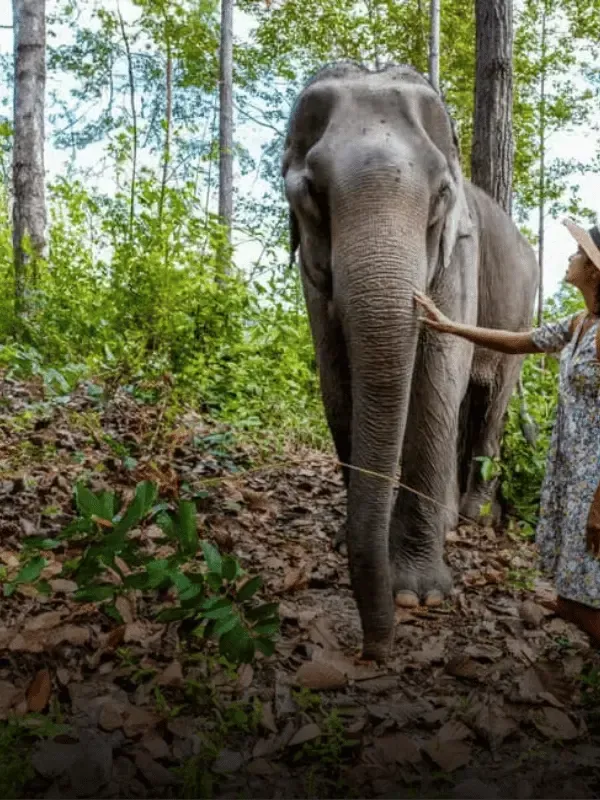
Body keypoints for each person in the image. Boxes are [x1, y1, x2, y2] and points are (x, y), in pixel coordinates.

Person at [414, 218, 600, 645]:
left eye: (578, 253)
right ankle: (572, 609)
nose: (570, 258)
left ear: (593, 271)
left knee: (593, 564)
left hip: (596, 478)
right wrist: (451, 326)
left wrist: (599, 506)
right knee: (580, 566)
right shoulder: (579, 324)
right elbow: (519, 341)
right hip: (573, 465)